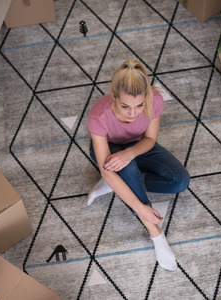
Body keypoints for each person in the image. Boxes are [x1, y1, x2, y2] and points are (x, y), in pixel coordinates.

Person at [86, 59, 190, 271]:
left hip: (138, 146)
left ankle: (124, 184)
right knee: (126, 171)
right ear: (113, 97)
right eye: (125, 106)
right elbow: (107, 170)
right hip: (109, 149)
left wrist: (129, 153)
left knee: (180, 181)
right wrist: (141, 207)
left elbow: (150, 139)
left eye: (139, 106)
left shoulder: (155, 100)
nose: (132, 114)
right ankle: (156, 234)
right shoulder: (98, 116)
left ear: (147, 98)